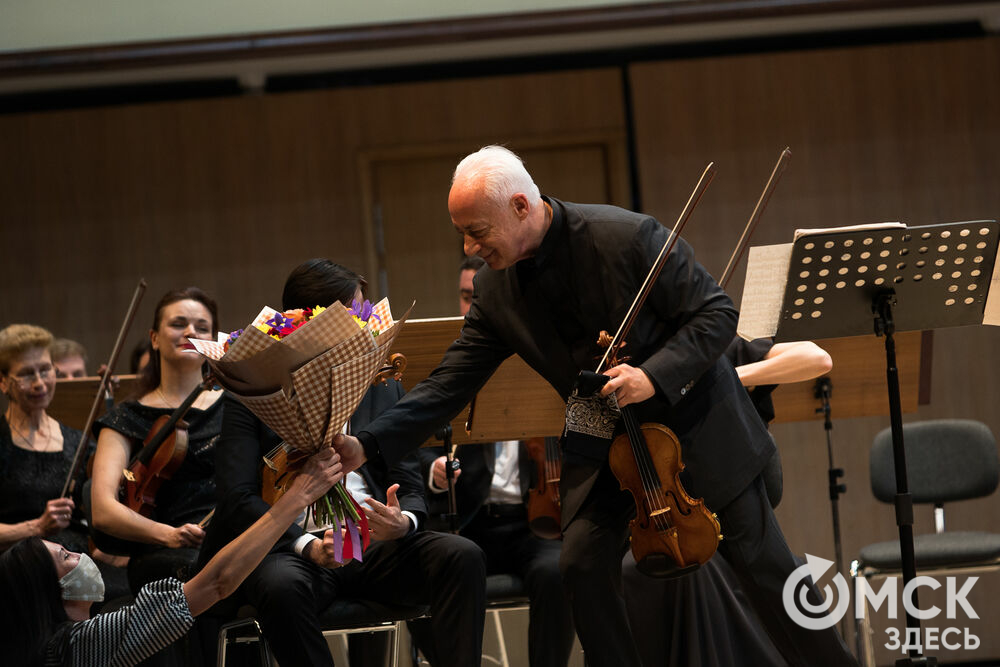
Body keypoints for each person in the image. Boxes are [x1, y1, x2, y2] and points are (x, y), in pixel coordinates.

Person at [332, 145, 859, 667]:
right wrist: (368, 444)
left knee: (766, 570)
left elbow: (715, 315)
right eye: (462, 232)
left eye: (477, 230)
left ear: (520, 206)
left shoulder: (627, 236)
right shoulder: (496, 292)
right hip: (606, 439)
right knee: (581, 564)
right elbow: (448, 383)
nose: (470, 246)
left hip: (698, 423)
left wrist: (652, 375)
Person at [199, 258, 487, 667]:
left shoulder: (381, 383)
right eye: (356, 315)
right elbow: (237, 498)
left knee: (463, 555)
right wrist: (307, 545)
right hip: (294, 551)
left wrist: (403, 520)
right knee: (280, 586)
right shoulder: (251, 392)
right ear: (313, 325)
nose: (366, 328)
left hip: (369, 544)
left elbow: (406, 475)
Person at [0, 444, 343, 667]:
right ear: (51, 590)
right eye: (65, 557)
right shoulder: (79, 644)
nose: (79, 555)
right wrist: (295, 499)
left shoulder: (50, 647)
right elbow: (217, 583)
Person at [622, 338, 833, 667]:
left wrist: (727, 375)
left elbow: (817, 359)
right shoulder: (639, 368)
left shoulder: (708, 344)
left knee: (749, 568)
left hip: (732, 512)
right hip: (667, 520)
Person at [411, 255, 575, 667]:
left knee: (559, 571)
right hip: (467, 520)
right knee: (423, 577)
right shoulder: (451, 361)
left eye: (479, 297)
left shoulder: (544, 355)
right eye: (467, 297)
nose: (472, 307)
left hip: (532, 522)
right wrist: (434, 473)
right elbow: (419, 437)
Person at [90, 287, 222, 594]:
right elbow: (103, 508)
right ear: (154, 339)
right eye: (178, 324)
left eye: (202, 327)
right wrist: (168, 535)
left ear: (213, 342)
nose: (191, 331)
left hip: (230, 539)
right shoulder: (126, 418)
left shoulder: (237, 408)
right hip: (162, 552)